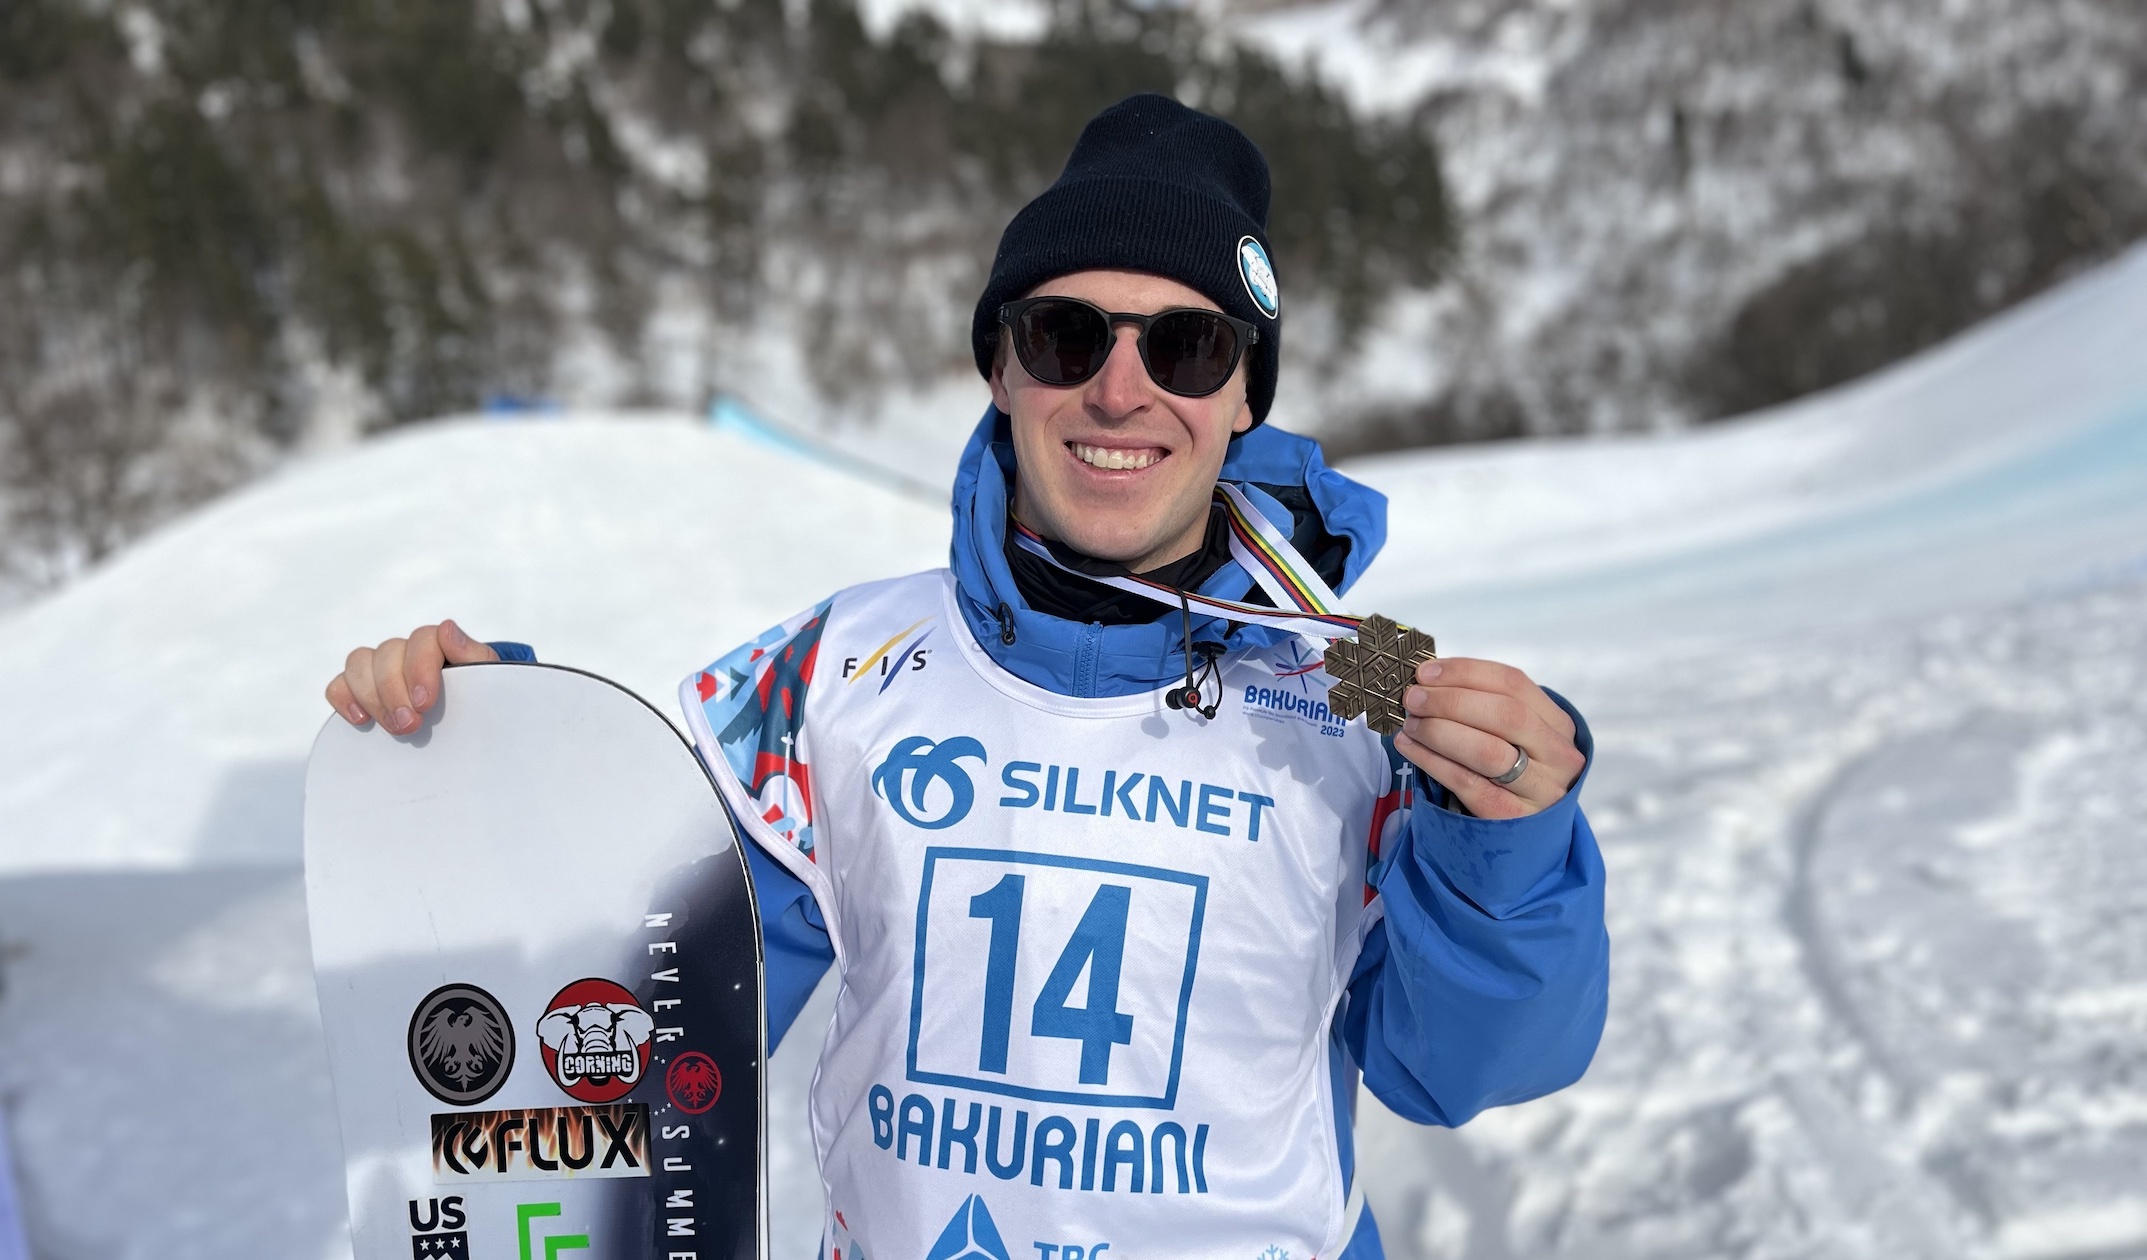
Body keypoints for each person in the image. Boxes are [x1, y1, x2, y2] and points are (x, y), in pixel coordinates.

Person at [327, 94, 1606, 1260]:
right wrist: (503, 744)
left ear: (1241, 402)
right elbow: (652, 986)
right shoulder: (832, 675)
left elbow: (1460, 1069)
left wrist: (1510, 849)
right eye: (1062, 336)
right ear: (999, 369)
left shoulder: (1353, 708)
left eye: (1188, 348)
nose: (1119, 390)